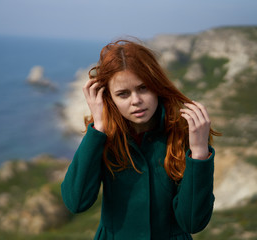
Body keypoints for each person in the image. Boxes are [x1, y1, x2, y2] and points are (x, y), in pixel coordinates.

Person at [61, 39, 220, 240]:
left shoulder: (182, 133)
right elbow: (76, 201)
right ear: (109, 98)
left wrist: (198, 153)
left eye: (143, 88)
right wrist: (98, 128)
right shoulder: (103, 139)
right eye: (123, 94)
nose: (136, 101)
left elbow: (192, 222)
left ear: (157, 86)